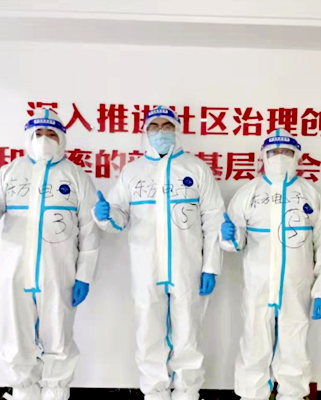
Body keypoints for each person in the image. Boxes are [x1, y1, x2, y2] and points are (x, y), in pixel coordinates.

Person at [93, 106, 225, 400]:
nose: (161, 132)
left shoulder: (196, 169)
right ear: (145, 132)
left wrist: (210, 266)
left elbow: (214, 219)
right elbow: (118, 216)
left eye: (167, 126)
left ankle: (187, 393)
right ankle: (154, 393)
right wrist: (105, 215)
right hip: (146, 266)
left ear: (177, 131)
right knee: (148, 332)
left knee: (188, 332)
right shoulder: (133, 171)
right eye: (155, 126)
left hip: (186, 266)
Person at [0, 108, 101, 400]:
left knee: (59, 338)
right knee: (17, 337)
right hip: (15, 271)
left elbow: (90, 230)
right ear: (28, 137)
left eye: (51, 133)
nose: (44, 139)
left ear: (62, 138)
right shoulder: (10, 172)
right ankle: (23, 392)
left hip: (59, 271)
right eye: (38, 133)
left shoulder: (76, 176)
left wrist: (84, 275)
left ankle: (55, 393)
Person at [220, 129, 321, 400]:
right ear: (263, 156)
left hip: (296, 288)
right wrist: (229, 236)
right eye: (273, 152)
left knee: (294, 348)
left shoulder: (312, 195)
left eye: (286, 152)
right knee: (254, 346)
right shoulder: (248, 193)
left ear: (297, 156)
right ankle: (251, 396)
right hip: (258, 286)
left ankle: (292, 396)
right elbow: (235, 242)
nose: (280, 157)